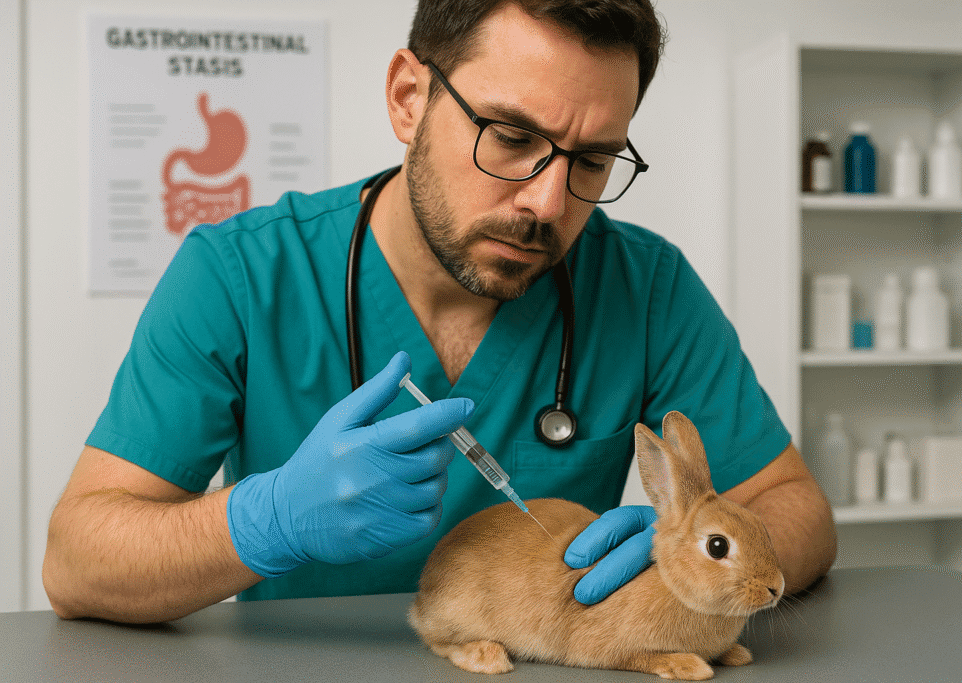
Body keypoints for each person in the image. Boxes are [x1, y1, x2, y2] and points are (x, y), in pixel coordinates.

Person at [43, 0, 836, 624]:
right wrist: (265, 521)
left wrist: (674, 553)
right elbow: (76, 564)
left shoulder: (645, 286)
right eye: (511, 135)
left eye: (593, 160)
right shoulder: (240, 275)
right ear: (408, 98)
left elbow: (796, 509)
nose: (548, 202)